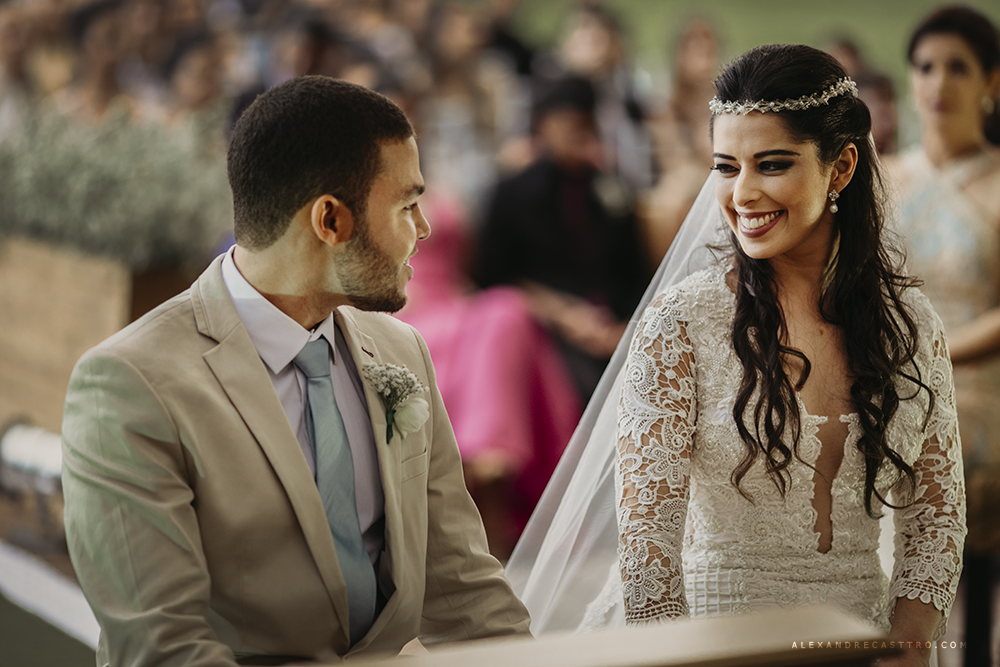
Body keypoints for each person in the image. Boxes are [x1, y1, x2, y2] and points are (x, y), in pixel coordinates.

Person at [506, 44, 966, 667]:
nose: (742, 193)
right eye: (726, 166)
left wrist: (907, 651)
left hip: (864, 638)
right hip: (707, 642)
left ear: (842, 167)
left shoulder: (910, 327)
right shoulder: (680, 328)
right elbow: (648, 548)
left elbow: (937, 521)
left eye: (771, 164)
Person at [61, 76, 531, 666]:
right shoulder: (128, 386)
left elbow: (464, 590)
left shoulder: (402, 352)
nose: (426, 229)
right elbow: (165, 649)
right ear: (330, 221)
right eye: (408, 205)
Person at [884, 7, 1000, 665]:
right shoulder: (880, 176)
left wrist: (934, 352)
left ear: (992, 81)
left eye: (958, 66)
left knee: (968, 585)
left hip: (977, 396)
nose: (939, 82)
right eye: (926, 66)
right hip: (885, 381)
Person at [476, 75, 649, 404]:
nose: (578, 132)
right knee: (587, 391)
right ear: (544, 126)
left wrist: (623, 328)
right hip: (545, 330)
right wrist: (564, 317)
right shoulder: (511, 193)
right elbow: (494, 279)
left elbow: (636, 272)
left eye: (585, 123)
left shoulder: (612, 189)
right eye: (567, 123)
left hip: (613, 327)